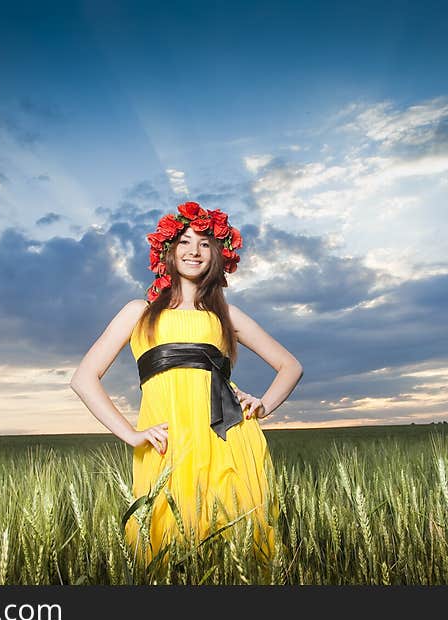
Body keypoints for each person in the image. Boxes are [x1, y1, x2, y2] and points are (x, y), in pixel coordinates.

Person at [70, 201, 303, 569]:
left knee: (238, 542)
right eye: (184, 241)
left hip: (227, 437)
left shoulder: (225, 315)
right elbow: (83, 378)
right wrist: (130, 434)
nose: (194, 251)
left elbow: (289, 365)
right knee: (161, 546)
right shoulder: (138, 312)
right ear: (168, 251)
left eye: (205, 243)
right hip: (167, 443)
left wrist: (262, 405)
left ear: (217, 255)